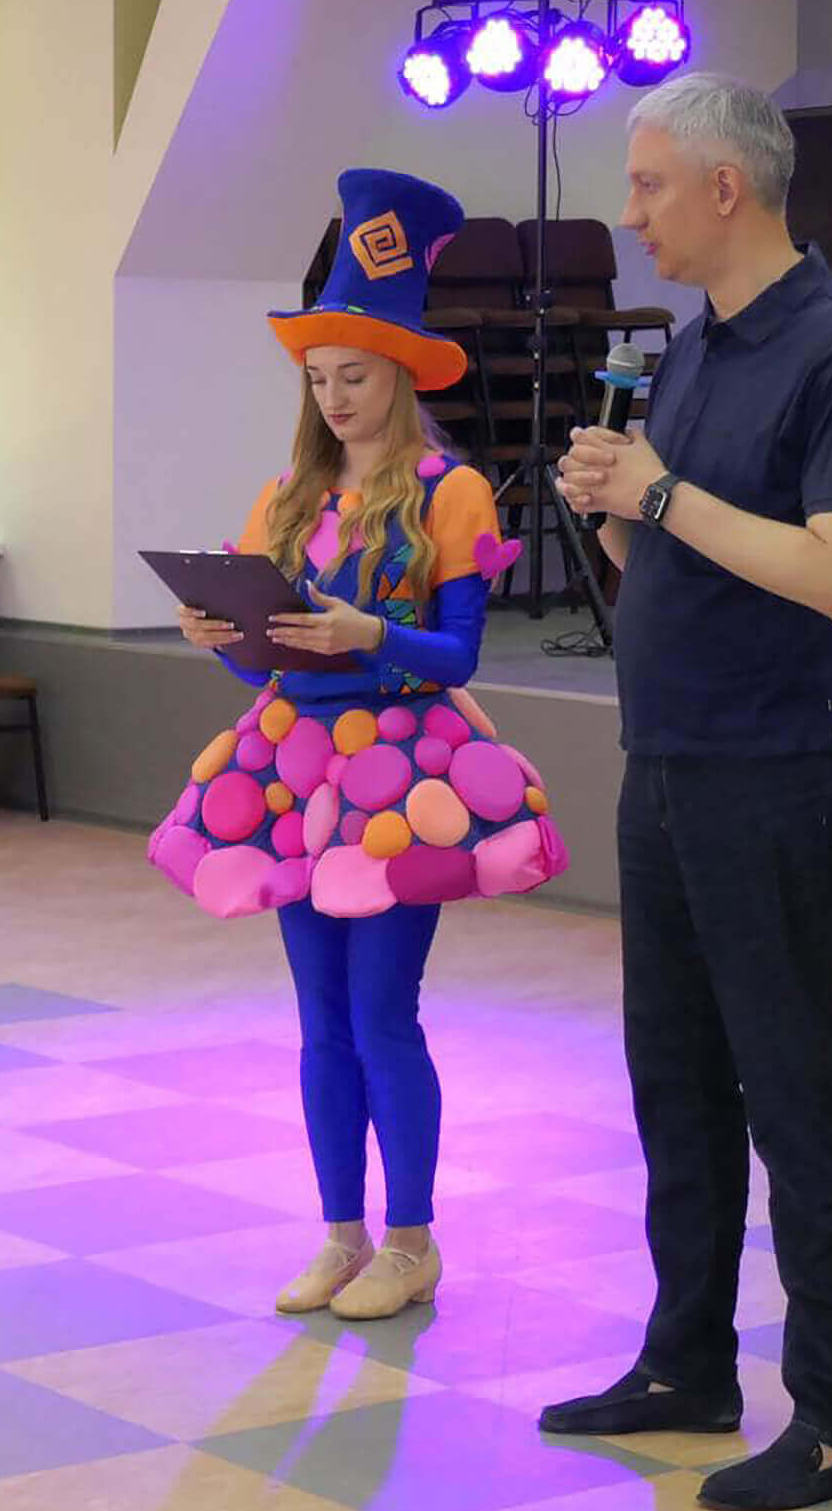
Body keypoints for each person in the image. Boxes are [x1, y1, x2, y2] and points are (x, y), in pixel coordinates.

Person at [539, 75, 832, 1511]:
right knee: (675, 1079)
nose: (630, 213)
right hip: (669, 757)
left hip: (776, 767)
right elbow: (670, 558)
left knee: (793, 1087)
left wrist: (661, 496)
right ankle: (687, 1359)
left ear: (725, 188)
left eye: (647, 185)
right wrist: (613, 510)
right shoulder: (686, 349)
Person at [149, 169, 569, 1323]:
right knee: (321, 1021)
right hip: (294, 772)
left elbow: (460, 654)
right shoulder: (285, 497)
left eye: (356, 375)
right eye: (319, 377)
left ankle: (411, 1241)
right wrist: (224, 639)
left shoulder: (451, 491)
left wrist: (367, 632)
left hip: (402, 778)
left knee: (384, 1014)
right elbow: (269, 670)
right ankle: (341, 1234)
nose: (335, 397)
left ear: (400, 374)